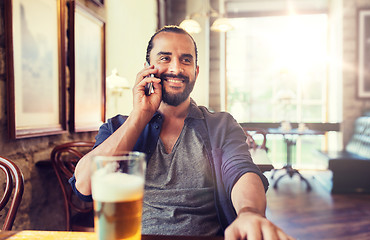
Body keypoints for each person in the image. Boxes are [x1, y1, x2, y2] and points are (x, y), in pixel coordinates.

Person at [71, 25, 294, 240]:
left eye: (186, 60)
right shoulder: (116, 127)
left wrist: (249, 212)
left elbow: (241, 172)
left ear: (196, 71)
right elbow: (84, 185)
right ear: (148, 67)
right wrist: (139, 116)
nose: (176, 69)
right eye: (165, 58)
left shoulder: (221, 125)